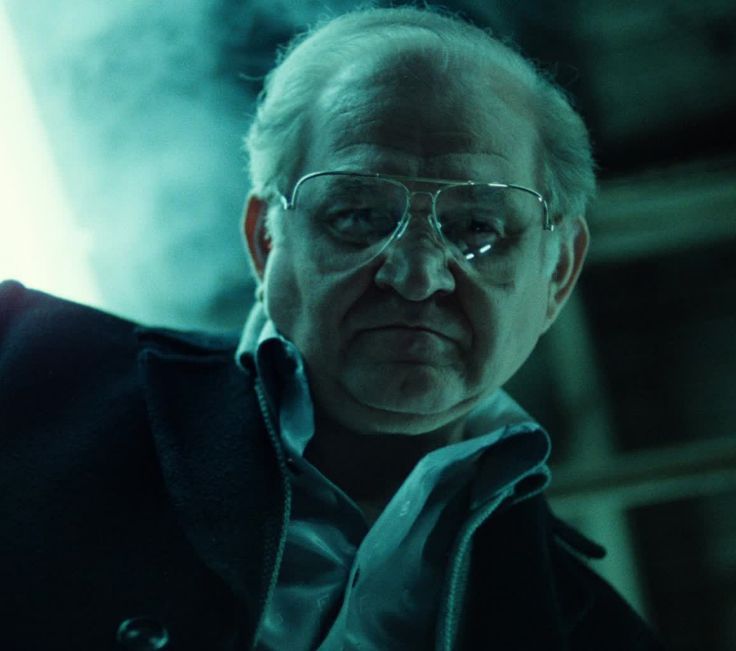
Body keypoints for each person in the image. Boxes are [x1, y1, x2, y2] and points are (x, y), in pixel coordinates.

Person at [0, 6, 664, 650]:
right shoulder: (22, 378)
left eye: (476, 227)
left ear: (558, 271)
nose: (417, 275)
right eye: (358, 215)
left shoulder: (599, 639)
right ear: (265, 239)